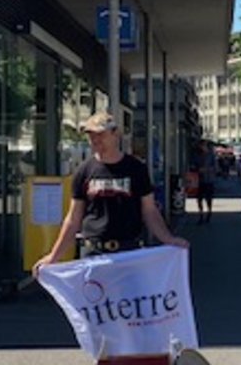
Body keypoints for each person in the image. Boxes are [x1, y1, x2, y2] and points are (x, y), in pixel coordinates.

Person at [32, 111, 187, 273]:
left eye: (100, 134)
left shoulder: (136, 169)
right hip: (93, 252)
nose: (95, 140)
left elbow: (149, 210)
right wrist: (54, 256)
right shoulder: (84, 171)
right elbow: (73, 217)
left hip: (128, 251)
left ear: (115, 134)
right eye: (91, 135)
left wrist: (168, 239)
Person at [194, 142, 217, 224]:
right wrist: (197, 169)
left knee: (208, 198)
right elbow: (194, 165)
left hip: (209, 180)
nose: (202, 147)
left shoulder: (211, 155)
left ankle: (209, 212)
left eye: (203, 146)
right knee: (199, 199)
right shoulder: (197, 155)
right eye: (201, 146)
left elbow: (215, 167)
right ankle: (201, 215)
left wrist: (207, 169)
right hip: (200, 180)